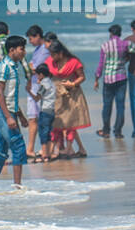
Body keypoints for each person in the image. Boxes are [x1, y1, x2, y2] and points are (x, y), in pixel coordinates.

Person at [0, 35, 32, 192]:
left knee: (0, 148)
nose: (24, 52)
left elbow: (12, 97)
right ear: (12, 50)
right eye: (22, 49)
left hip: (10, 112)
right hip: (2, 113)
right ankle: (17, 186)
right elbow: (0, 93)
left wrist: (21, 116)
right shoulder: (4, 67)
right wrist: (9, 117)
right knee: (18, 145)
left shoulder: (14, 67)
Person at [46, 40, 90, 158]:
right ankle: (56, 148)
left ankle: (69, 148)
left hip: (72, 95)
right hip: (57, 95)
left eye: (53, 54)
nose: (52, 57)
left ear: (60, 53)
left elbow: (82, 77)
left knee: (71, 123)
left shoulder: (74, 62)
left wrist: (73, 84)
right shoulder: (50, 62)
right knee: (57, 122)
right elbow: (46, 74)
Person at [93, 24, 130, 137]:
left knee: (107, 106)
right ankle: (118, 132)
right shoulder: (125, 44)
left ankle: (106, 131)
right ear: (120, 34)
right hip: (121, 78)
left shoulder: (105, 46)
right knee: (120, 106)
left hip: (108, 80)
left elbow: (101, 64)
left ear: (111, 34)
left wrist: (97, 78)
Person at [24, 25, 50, 158]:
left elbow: (38, 68)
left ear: (38, 36)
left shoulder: (45, 49)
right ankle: (30, 149)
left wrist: (31, 69)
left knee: (43, 119)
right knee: (32, 118)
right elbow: (32, 67)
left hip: (40, 87)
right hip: (32, 86)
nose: (30, 41)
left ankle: (46, 149)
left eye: (31, 38)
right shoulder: (37, 50)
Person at [31, 64, 58, 162]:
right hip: (51, 110)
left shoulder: (44, 84)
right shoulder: (51, 83)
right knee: (48, 132)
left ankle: (45, 155)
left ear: (41, 74)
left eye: (38, 75)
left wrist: (29, 91)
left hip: (45, 111)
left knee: (43, 132)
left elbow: (37, 97)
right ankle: (48, 154)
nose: (37, 77)